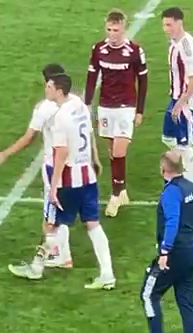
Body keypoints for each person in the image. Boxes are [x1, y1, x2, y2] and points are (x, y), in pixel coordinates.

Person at [11, 73, 116, 290]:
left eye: (49, 87)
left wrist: (54, 186)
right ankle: (107, 274)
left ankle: (37, 267)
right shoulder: (79, 105)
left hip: (69, 179)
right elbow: (89, 132)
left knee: (52, 224)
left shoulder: (60, 118)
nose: (46, 90)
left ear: (59, 91)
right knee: (93, 224)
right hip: (88, 176)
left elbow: (61, 152)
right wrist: (95, 158)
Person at [0, 63, 74, 269]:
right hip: (75, 165)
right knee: (61, 210)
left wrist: (5, 153)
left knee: (50, 216)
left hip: (54, 165)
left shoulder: (45, 108)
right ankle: (64, 257)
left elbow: (29, 138)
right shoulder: (75, 102)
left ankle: (46, 260)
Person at [132, 150, 193, 333]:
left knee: (148, 294)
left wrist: (165, 252)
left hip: (176, 254)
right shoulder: (191, 187)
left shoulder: (172, 192)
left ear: (163, 170)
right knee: (186, 301)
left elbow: (172, 222)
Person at [85, 8, 149, 217]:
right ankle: (122, 190)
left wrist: (139, 110)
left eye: (116, 30)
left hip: (125, 107)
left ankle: (115, 196)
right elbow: (92, 77)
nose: (112, 34)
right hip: (105, 106)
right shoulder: (99, 49)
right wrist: (87, 104)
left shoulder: (135, 51)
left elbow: (143, 81)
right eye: (109, 30)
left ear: (124, 29)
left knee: (119, 151)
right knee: (113, 151)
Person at [160, 7, 193, 189]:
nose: (166, 29)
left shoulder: (188, 48)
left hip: (188, 103)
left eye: (169, 25)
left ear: (179, 22)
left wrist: (180, 104)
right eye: (164, 25)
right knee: (168, 137)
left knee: (184, 144)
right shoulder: (174, 42)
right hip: (177, 99)